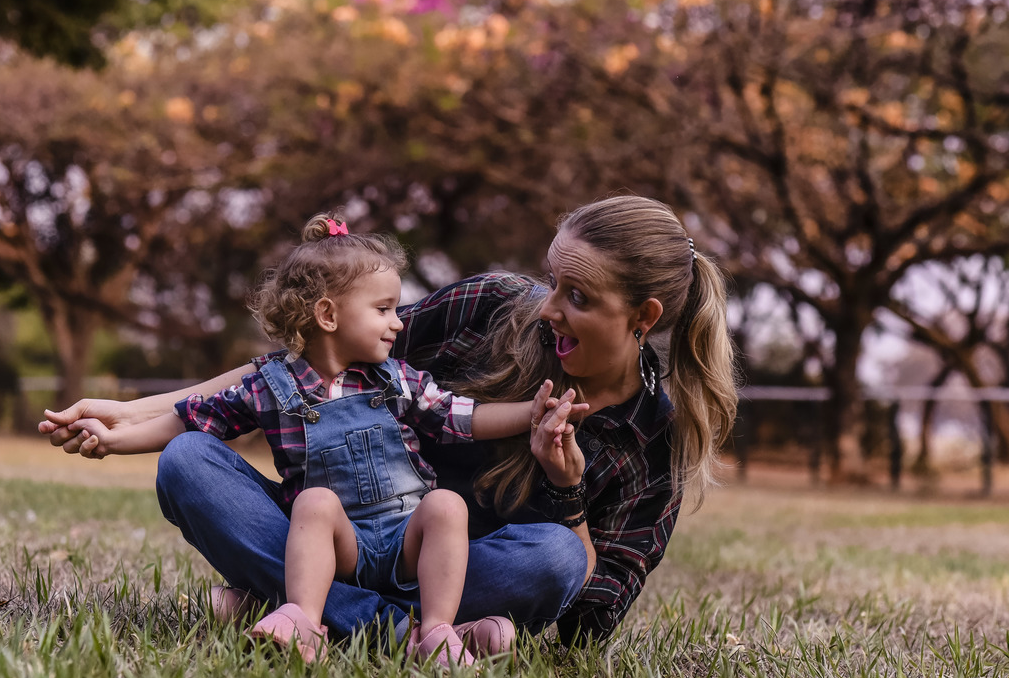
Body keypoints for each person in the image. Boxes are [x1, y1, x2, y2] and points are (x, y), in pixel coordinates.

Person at [42, 195, 738, 644]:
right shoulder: (493, 306)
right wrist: (135, 411)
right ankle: (399, 630)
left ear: (642, 318)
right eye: (553, 280)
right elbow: (307, 364)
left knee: (551, 555)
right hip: (332, 534)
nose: (549, 307)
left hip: (452, 572)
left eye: (577, 295)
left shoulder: (653, 441)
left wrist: (569, 490)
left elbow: (587, 617)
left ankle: (300, 611)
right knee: (188, 461)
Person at [66, 214, 585, 665]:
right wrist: (117, 438)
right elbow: (189, 421)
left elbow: (461, 417)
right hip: (336, 547)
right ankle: (315, 621)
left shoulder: (397, 379)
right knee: (296, 496)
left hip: (408, 545)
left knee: (455, 510)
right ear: (328, 315)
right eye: (383, 310)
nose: (398, 324)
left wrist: (530, 415)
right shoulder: (269, 386)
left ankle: (431, 630)